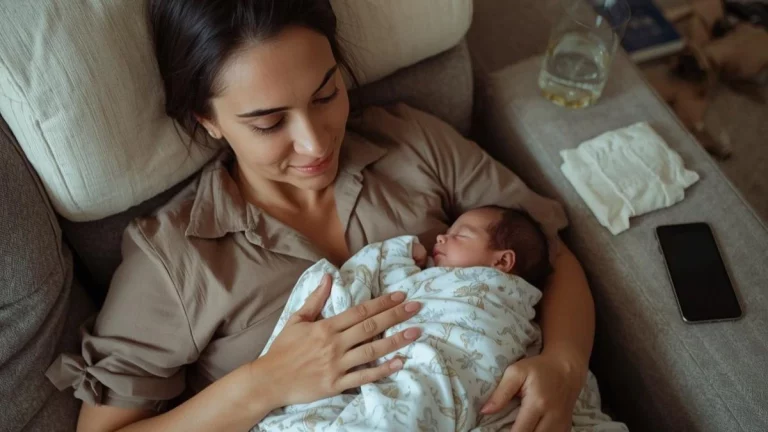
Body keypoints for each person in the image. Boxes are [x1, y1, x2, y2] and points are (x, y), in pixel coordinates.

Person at [45, 1, 597, 431]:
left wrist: (565, 365)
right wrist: (264, 383)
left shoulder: (412, 142)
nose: (314, 144)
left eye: (326, 93)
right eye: (268, 123)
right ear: (207, 120)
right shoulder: (174, 260)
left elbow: (549, 253)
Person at [255, 207, 625, 432]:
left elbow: (556, 256)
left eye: (460, 234)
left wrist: (564, 361)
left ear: (502, 262)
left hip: (470, 360)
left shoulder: (499, 296)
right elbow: (390, 287)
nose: (442, 238)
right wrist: (396, 253)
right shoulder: (430, 277)